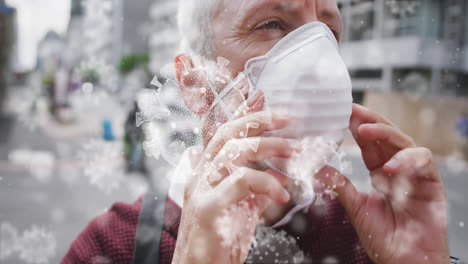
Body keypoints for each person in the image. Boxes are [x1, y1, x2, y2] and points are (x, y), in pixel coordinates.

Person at [62, 0, 456, 263]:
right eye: (271, 24)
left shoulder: (370, 236)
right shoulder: (109, 247)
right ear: (196, 83)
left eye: (329, 34)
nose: (320, 62)